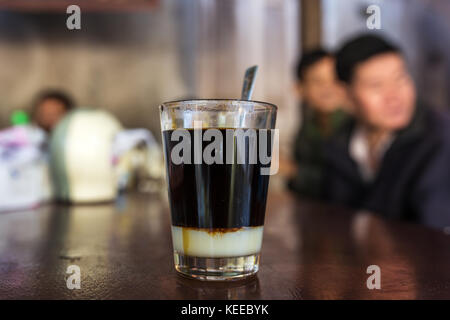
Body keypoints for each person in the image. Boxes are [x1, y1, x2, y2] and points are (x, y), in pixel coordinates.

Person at [322, 34, 450, 230]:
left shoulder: (439, 139)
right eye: (376, 85)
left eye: (400, 79)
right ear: (345, 96)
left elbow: (434, 232)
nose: (394, 96)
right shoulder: (339, 145)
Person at [287, 49, 348, 198]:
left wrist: (292, 170)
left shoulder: (355, 126)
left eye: (335, 80)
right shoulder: (307, 129)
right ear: (299, 89)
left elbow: (344, 185)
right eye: (317, 81)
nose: (328, 88)